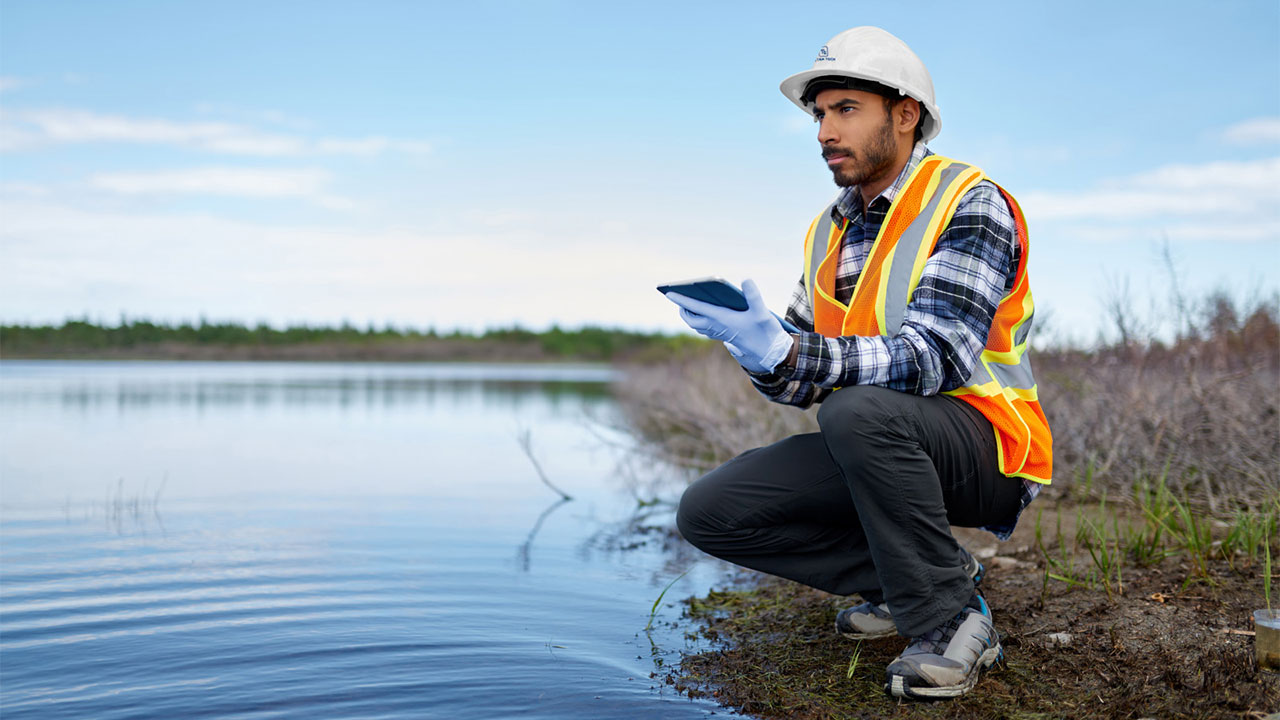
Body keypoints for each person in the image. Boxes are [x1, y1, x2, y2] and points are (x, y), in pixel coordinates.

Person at [663, 26, 1052, 700]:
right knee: (710, 511)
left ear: (905, 114)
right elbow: (799, 380)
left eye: (846, 109)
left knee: (855, 409)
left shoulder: (969, 201)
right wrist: (756, 349)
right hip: (877, 438)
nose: (823, 132)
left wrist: (794, 350)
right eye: (819, 114)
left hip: (987, 447)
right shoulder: (826, 232)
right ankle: (913, 578)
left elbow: (938, 357)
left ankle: (953, 623)